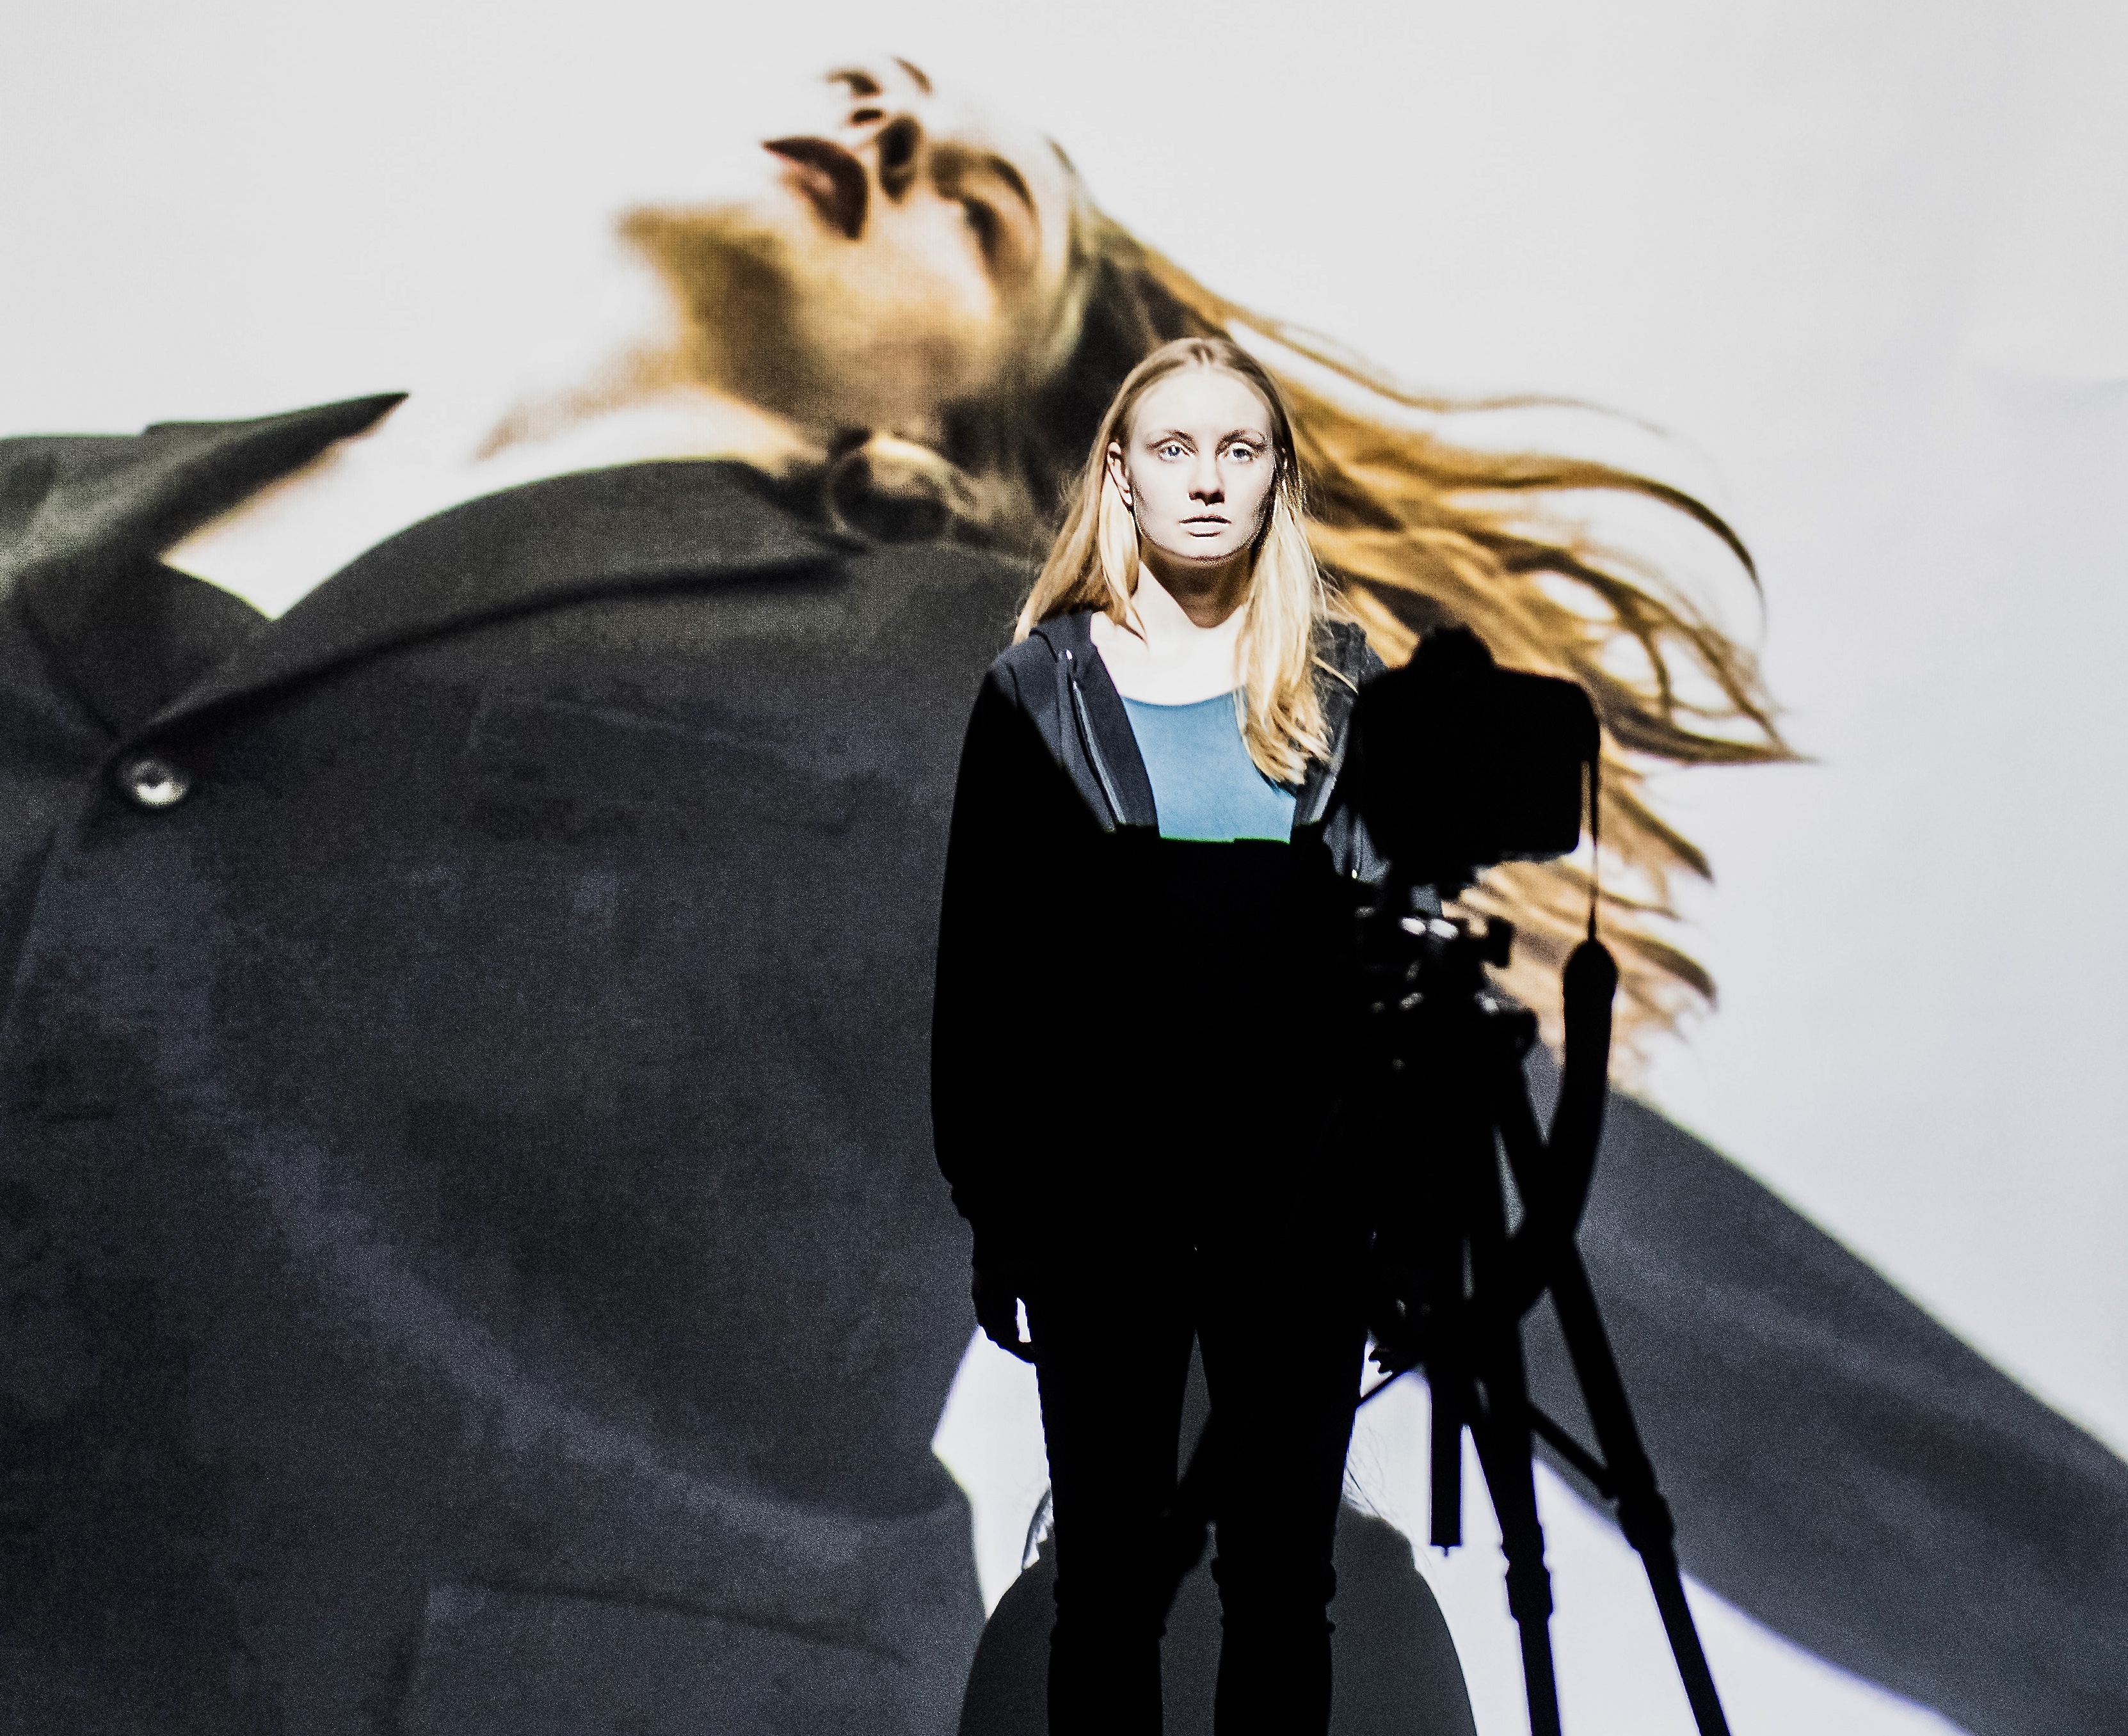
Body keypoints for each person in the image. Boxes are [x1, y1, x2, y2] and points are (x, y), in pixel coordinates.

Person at [1, 51, 2120, 1736]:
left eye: (976, 202)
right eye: (874, 83)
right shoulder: (37, 495)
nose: (889, 123)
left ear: (989, 404)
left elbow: (1536, 1228)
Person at [932, 336, 1389, 1736]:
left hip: (1303, 1205)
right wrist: (996, 1212)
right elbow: (985, 977)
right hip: (1099, 1208)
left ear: (1277, 480)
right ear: (1119, 476)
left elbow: (1389, 973)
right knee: (1109, 1588)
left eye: (1236, 451)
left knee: (1283, 1585)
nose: (1204, 479)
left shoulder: (1341, 685)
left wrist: (1397, 1215)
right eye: (1174, 449)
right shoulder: (1037, 690)